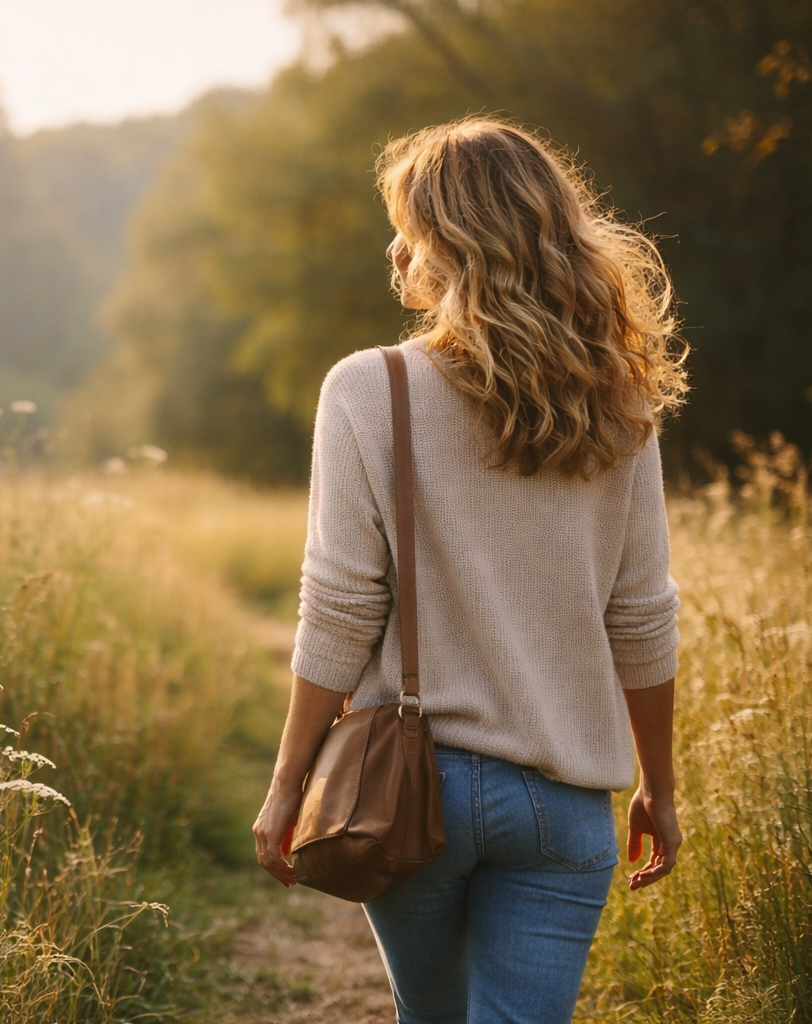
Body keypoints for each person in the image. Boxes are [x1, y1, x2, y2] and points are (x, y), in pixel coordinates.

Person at [252, 117, 687, 1024]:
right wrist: (659, 787)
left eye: (407, 224)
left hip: (414, 796)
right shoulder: (622, 401)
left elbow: (340, 609)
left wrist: (290, 781)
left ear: (450, 245)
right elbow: (641, 615)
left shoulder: (369, 389)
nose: (394, 245)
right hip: (566, 808)